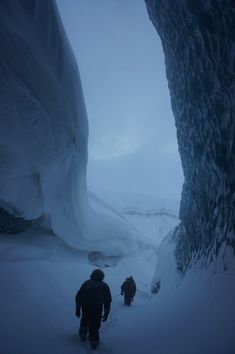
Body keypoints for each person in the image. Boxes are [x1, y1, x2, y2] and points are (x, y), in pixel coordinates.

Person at [75, 269, 112, 350]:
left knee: (84, 321)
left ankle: (83, 335)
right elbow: (108, 300)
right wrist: (106, 312)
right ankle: (94, 344)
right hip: (97, 310)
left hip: (86, 308)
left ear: (93, 275)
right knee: (94, 327)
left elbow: (79, 296)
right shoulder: (104, 286)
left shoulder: (86, 283)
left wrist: (78, 308)